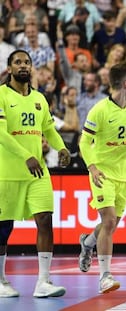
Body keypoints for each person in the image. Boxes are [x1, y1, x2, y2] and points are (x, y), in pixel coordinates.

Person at [77, 63, 126, 294]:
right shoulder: (99, 110)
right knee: (109, 221)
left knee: (111, 225)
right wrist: (92, 167)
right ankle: (105, 276)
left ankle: (87, 242)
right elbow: (83, 142)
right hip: (103, 173)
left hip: (125, 174)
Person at [0, 49, 71, 298]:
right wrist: (26, 156)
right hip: (6, 173)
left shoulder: (40, 98)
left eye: (27, 63)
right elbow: (1, 134)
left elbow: (49, 129)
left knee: (45, 220)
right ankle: (0, 281)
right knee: (3, 229)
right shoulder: (0, 96)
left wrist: (62, 147)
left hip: (37, 172)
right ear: (9, 69)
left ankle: (43, 282)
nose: (23, 66)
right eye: (18, 62)